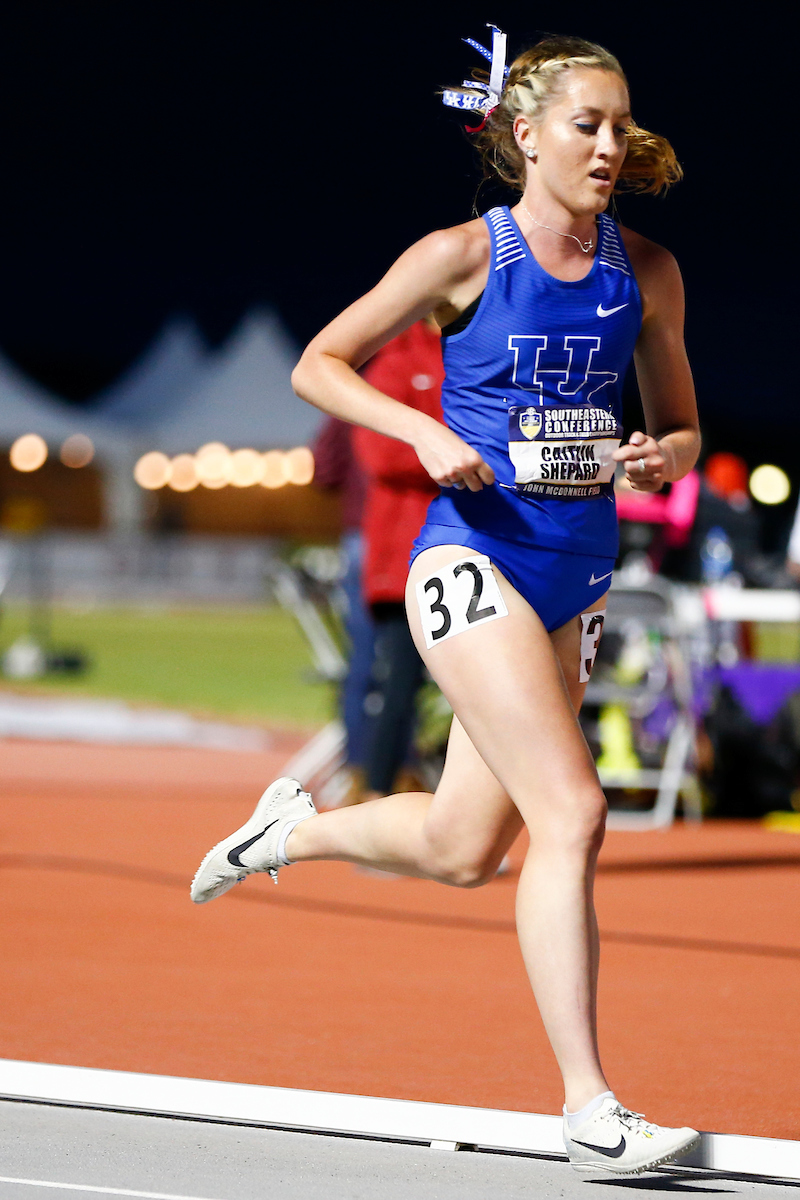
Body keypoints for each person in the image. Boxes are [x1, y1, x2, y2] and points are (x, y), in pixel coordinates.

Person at [191, 31, 701, 1175]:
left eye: (621, 125)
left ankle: (290, 829)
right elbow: (318, 362)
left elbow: (681, 427)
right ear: (526, 135)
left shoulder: (649, 273)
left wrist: (659, 457)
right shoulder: (461, 256)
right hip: (464, 564)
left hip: (572, 580)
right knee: (571, 810)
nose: (609, 146)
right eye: (586, 124)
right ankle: (589, 1108)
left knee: (463, 846)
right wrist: (421, 429)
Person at [354, 318, 445, 802]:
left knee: (484, 693)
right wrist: (460, 454)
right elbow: (379, 454)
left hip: (469, 549)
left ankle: (467, 820)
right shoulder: (395, 362)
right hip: (405, 557)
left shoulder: (479, 348)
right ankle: (375, 799)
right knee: (399, 687)